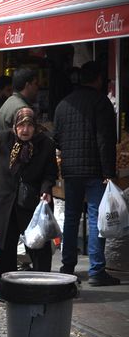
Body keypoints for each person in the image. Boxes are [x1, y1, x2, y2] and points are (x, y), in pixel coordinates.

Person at [54, 60, 119, 286]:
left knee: (71, 218)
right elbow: (105, 140)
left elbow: (58, 138)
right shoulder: (101, 102)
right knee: (94, 218)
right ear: (99, 79)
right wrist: (109, 172)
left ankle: (67, 265)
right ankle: (96, 270)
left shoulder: (63, 104)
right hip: (94, 170)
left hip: (71, 170)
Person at [0, 108, 57, 275]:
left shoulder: (45, 144)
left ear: (35, 126)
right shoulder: (3, 139)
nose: (25, 130)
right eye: (21, 125)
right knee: (5, 246)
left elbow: (50, 172)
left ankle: (42, 283)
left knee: (38, 245)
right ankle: (7, 283)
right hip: (5, 202)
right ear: (14, 126)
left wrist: (46, 189)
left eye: (29, 125)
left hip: (32, 202)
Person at [0, 68, 38, 132]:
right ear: (27, 85)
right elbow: (26, 135)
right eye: (35, 84)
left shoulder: (9, 101)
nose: (37, 87)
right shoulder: (23, 109)